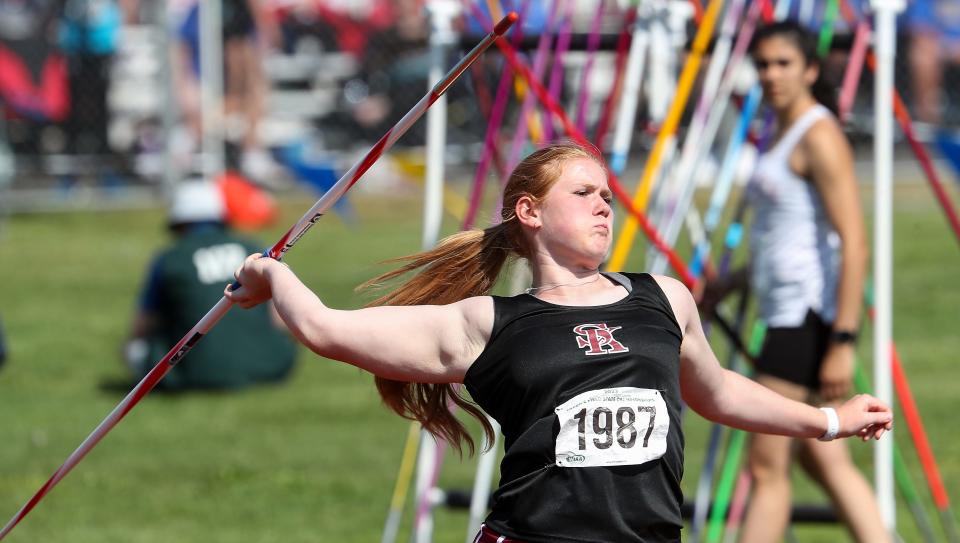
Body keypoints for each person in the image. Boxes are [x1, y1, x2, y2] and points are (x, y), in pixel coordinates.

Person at [226, 143, 891, 542]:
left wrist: (827, 419)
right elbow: (326, 329)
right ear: (531, 212)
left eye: (609, 193)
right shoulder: (485, 323)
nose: (606, 204)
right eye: (585, 192)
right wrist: (270, 273)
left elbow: (717, 392)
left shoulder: (665, 298)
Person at [703, 22, 890, 543]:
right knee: (821, 458)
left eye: (783, 63)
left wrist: (843, 343)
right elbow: (785, 236)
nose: (770, 74)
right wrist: (733, 282)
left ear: (810, 69)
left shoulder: (818, 134)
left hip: (804, 321)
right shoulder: (782, 130)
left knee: (765, 466)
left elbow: (854, 242)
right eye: (762, 64)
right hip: (782, 312)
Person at [124, 180, 295, 390]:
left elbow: (142, 326)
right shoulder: (253, 249)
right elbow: (281, 320)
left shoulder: (170, 259)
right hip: (273, 366)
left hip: (193, 374)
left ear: (179, 223)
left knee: (136, 350)